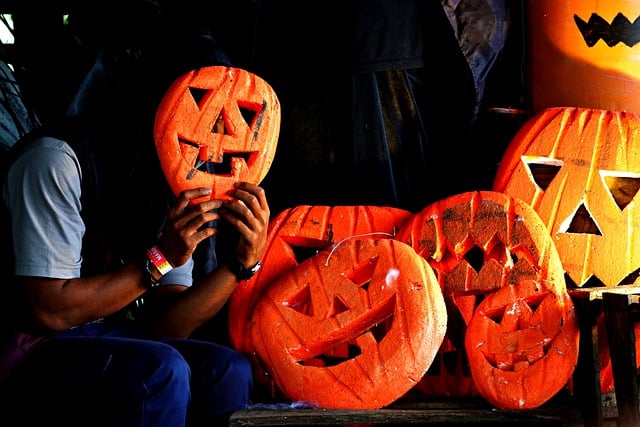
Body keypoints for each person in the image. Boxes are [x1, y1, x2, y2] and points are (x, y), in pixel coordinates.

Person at [0, 2, 270, 426]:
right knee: (162, 371)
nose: (213, 135)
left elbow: (170, 323)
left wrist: (240, 264)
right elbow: (52, 312)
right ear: (150, 95)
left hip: (109, 338)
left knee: (227, 369)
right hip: (29, 350)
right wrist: (159, 258)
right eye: (197, 104)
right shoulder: (55, 162)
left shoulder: (168, 175)